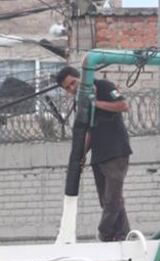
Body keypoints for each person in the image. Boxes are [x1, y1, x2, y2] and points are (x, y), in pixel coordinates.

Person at [56, 66, 132, 241]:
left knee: (113, 199)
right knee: (106, 200)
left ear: (80, 78)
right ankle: (122, 235)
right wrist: (82, 154)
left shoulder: (103, 86)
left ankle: (105, 233)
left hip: (115, 150)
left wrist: (96, 103)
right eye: (67, 88)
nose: (71, 89)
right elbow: (88, 130)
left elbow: (122, 105)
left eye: (72, 83)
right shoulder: (81, 102)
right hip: (99, 154)